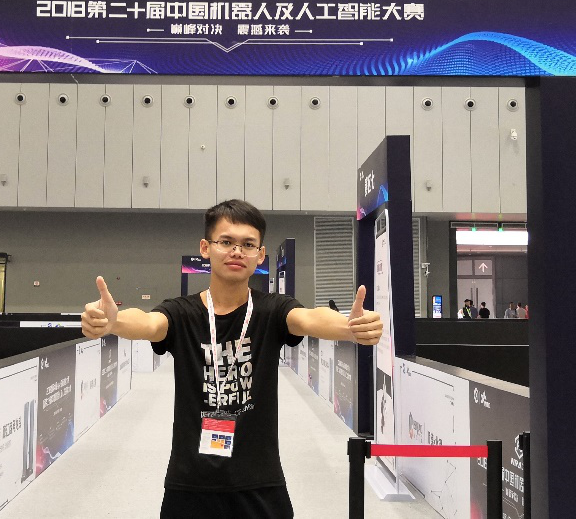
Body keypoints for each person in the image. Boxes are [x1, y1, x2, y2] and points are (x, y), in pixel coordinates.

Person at [80, 199, 382, 518]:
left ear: (260, 255)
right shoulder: (182, 313)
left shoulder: (271, 310)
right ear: (206, 248)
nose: (237, 252)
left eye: (248, 244)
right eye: (226, 242)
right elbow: (148, 323)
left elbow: (309, 318)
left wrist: (348, 328)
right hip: (190, 483)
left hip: (260, 481)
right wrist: (113, 322)